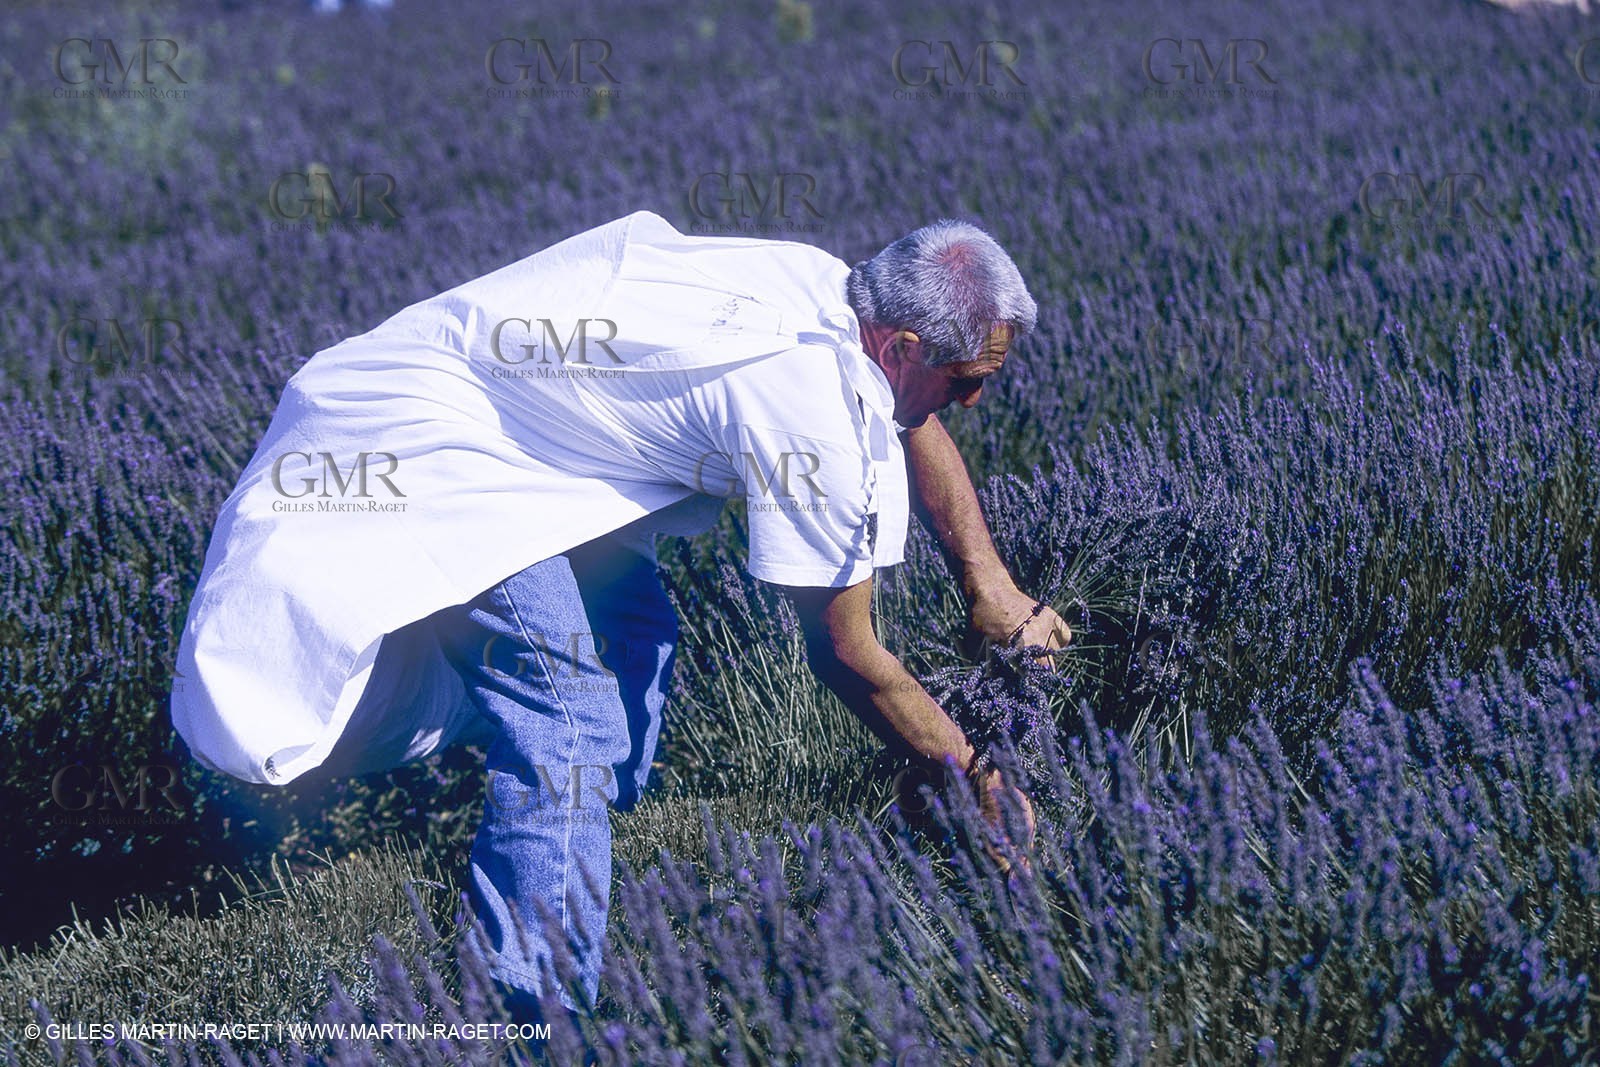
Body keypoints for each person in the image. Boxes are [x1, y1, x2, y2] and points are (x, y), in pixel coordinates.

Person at [170, 210, 1071, 1020]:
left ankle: (552, 846)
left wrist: (986, 580)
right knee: (569, 713)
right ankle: (531, 1012)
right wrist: (970, 771)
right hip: (434, 445)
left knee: (631, 642)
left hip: (547, 449)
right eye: (965, 381)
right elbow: (844, 652)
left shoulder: (837, 298)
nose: (975, 402)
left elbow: (911, 420)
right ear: (903, 348)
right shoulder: (811, 411)